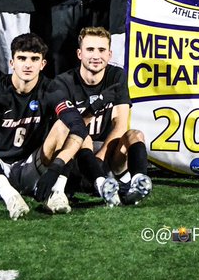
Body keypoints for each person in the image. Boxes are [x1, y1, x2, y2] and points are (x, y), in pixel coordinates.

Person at [0, 33, 89, 219]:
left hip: (31, 166)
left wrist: (56, 168)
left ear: (42, 64)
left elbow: (78, 127)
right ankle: (10, 196)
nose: (28, 65)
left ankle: (57, 192)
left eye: (34, 59)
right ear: (12, 63)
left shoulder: (51, 90)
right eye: (22, 58)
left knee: (64, 126)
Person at [56, 28, 152, 206]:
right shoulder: (64, 82)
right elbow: (68, 130)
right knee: (83, 139)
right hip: (76, 153)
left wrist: (99, 159)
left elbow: (120, 125)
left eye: (101, 50)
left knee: (135, 135)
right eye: (90, 50)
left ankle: (138, 181)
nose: (96, 56)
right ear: (79, 53)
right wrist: (94, 108)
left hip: (106, 153)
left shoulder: (116, 77)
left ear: (109, 54)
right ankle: (97, 183)